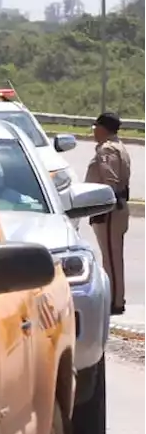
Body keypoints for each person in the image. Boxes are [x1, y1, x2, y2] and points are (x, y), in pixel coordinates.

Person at [87, 111, 133, 314]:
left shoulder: (107, 150)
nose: (94, 131)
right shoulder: (118, 146)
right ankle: (115, 298)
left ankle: (114, 302)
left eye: (96, 127)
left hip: (110, 210)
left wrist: (102, 205)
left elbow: (110, 181)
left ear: (103, 128)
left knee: (111, 258)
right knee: (112, 256)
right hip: (115, 208)